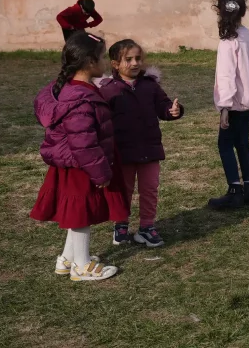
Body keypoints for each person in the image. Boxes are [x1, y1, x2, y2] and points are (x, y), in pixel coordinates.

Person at [30, 32, 123, 281]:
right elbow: (83, 142)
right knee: (81, 213)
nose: (104, 62)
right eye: (103, 57)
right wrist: (101, 172)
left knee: (75, 211)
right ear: (91, 62)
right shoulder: (80, 100)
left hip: (72, 164)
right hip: (80, 166)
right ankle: (81, 266)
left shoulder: (68, 89)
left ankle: (67, 258)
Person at [99, 39, 183, 248]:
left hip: (150, 149)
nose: (135, 63)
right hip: (123, 152)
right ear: (115, 64)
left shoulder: (150, 85)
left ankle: (147, 226)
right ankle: (121, 223)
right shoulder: (108, 90)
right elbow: (101, 119)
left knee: (150, 189)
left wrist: (172, 111)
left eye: (138, 58)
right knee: (124, 189)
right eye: (128, 59)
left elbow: (163, 105)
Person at [208, 0, 249, 209]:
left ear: (219, 11)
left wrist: (224, 106)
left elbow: (226, 75)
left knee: (225, 143)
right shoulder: (246, 34)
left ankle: (234, 190)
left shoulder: (228, 41)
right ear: (243, 11)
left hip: (235, 101)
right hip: (248, 97)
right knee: (242, 142)